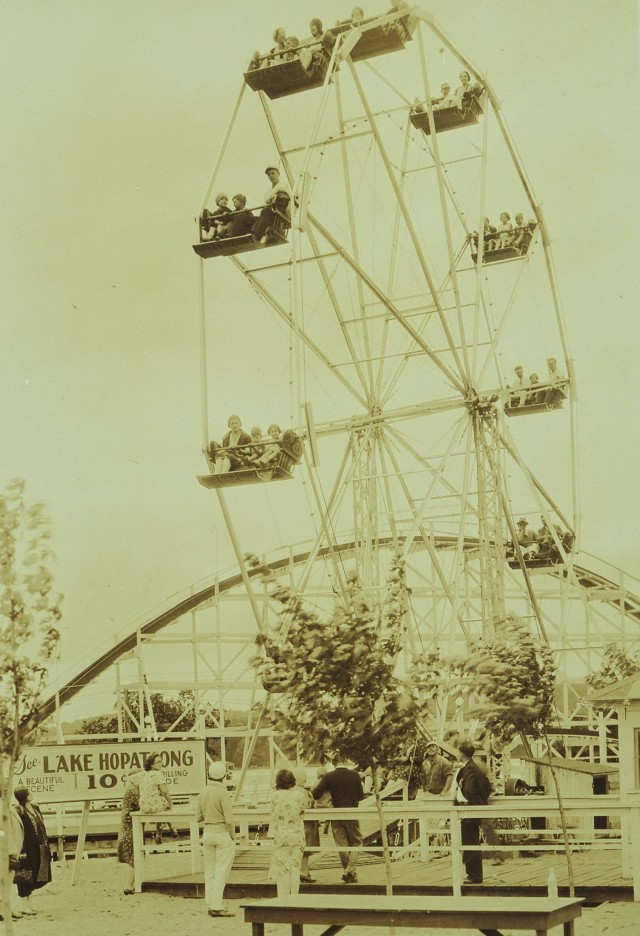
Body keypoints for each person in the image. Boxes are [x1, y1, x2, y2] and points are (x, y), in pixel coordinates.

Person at [312, 753, 364, 883]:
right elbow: (360, 796)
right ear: (345, 761)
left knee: (342, 844)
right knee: (357, 842)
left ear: (334, 763)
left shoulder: (329, 777)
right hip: (352, 812)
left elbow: (316, 794)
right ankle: (350, 871)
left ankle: (349, 872)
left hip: (336, 813)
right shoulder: (354, 775)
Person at [197, 761, 236, 918]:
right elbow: (229, 820)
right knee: (221, 872)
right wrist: (232, 836)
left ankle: (211, 903)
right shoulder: (223, 793)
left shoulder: (203, 792)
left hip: (207, 833)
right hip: (221, 833)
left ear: (209, 775)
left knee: (210, 871)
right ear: (224, 777)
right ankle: (217, 905)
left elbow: (198, 817)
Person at [454, 740, 492, 884]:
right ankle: (473, 874)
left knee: (470, 842)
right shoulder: (473, 767)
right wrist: (480, 799)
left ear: (462, 754)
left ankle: (474, 875)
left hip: (468, 810)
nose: (457, 754)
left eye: (458, 752)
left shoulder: (469, 768)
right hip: (471, 808)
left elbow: (469, 789)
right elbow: (488, 787)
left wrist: (470, 802)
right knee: (470, 840)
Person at [11, 788, 52, 916]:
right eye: (28, 793)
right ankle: (24, 905)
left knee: (34, 873)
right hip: (27, 847)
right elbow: (20, 830)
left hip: (39, 846)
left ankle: (30, 904)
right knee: (25, 875)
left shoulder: (35, 808)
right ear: (24, 796)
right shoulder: (19, 811)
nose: (31, 794)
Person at [268, 768, 306, 897]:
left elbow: (272, 813)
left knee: (282, 871)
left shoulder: (275, 796)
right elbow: (302, 812)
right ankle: (294, 899)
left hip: (281, 837)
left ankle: (282, 900)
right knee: (295, 870)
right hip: (297, 837)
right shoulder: (300, 796)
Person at [117, 771, 142, 894]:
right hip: (130, 827)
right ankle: (129, 885)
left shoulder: (131, 789)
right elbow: (142, 804)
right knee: (134, 855)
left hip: (129, 826)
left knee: (135, 855)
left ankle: (133, 883)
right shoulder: (133, 791)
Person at [252, 165, 291, 243]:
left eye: (273, 173)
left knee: (266, 210)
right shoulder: (270, 190)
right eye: (269, 174)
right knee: (247, 217)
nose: (271, 176)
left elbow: (271, 201)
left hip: (278, 217)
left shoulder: (283, 186)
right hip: (268, 216)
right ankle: (249, 234)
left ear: (278, 174)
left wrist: (270, 197)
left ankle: (256, 235)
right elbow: (266, 202)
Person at [293, 767, 318, 883]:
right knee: (305, 848)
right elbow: (307, 807)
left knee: (298, 849)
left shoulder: (291, 791)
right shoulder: (304, 792)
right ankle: (304, 871)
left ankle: (298, 871)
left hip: (295, 824)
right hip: (306, 823)